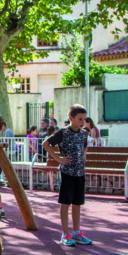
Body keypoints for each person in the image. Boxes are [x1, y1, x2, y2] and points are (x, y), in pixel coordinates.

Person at [43, 105, 92, 247]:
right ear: (71, 118)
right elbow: (46, 144)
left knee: (77, 203)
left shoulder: (84, 133)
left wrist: (83, 156)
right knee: (66, 203)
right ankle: (65, 233)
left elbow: (84, 147)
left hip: (79, 172)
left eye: (84, 119)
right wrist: (58, 159)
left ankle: (77, 232)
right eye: (79, 119)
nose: (82, 122)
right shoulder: (63, 133)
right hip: (67, 173)